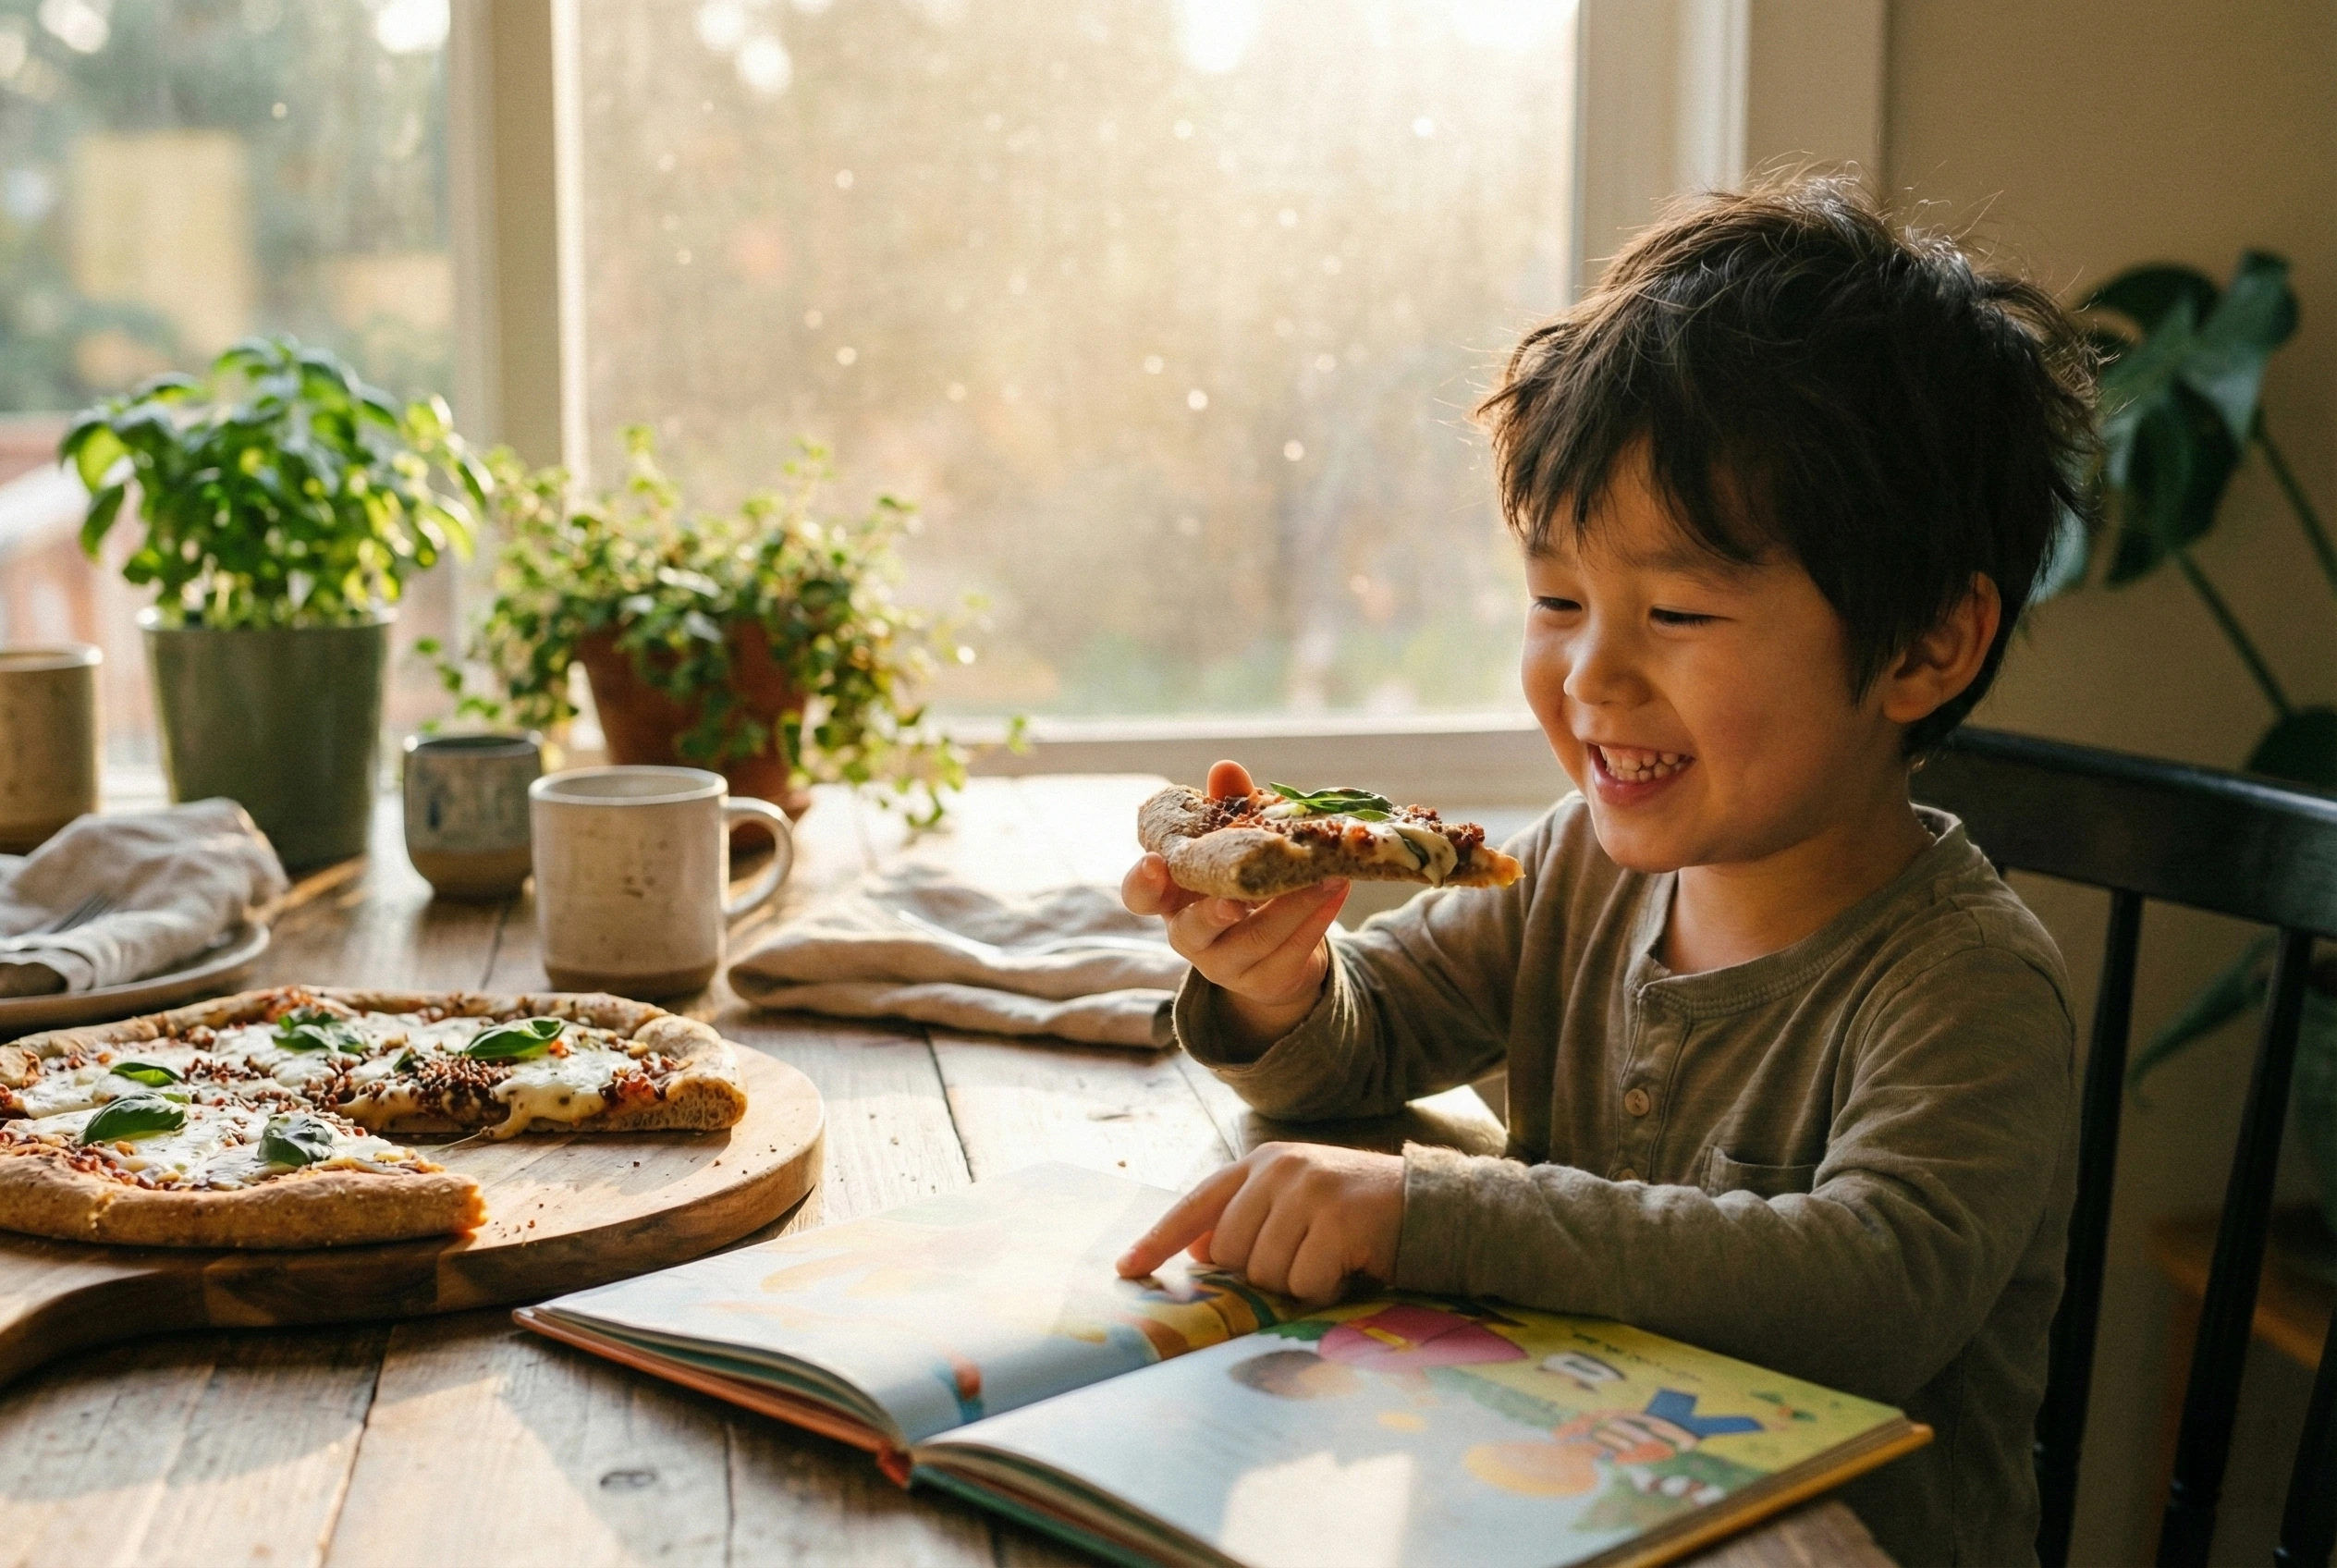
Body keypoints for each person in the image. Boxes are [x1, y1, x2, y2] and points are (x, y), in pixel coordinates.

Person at [1114, 176, 2097, 1566]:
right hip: (1538, 1506)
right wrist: (1280, 987)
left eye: (1678, 610)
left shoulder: (1964, 981)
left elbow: (1870, 1294)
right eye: (1557, 599)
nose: (1590, 675)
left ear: (1929, 646)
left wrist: (1435, 1210)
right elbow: (1359, 1043)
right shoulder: (1583, 868)